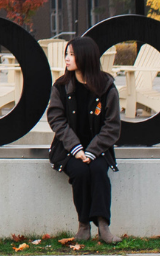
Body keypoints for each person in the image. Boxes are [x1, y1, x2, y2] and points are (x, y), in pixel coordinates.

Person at [47, 37, 122, 244]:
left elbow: (112, 125)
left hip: (99, 149)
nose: (67, 59)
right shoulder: (61, 86)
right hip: (68, 148)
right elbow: (56, 118)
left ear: (85, 57)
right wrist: (76, 148)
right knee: (80, 172)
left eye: (71, 54)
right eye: (66, 54)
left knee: (98, 171)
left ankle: (103, 226)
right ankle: (83, 226)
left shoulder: (107, 87)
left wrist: (91, 151)